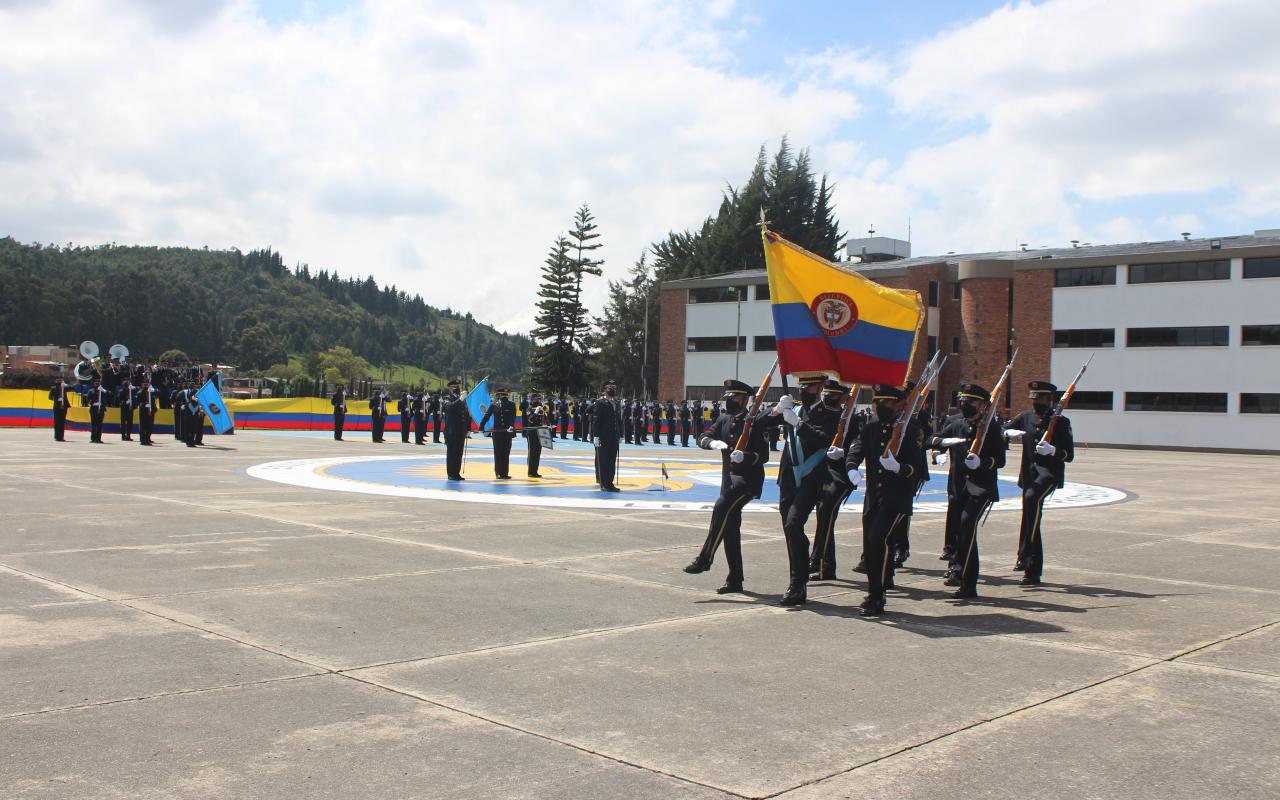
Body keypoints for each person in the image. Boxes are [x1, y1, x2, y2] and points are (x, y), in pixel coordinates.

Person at [684, 379, 771, 595]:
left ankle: (705, 558)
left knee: (721, 507)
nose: (729, 401)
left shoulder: (756, 421)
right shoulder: (724, 419)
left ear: (744, 399)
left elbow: (764, 456)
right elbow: (702, 436)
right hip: (728, 482)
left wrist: (746, 456)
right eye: (728, 397)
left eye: (734, 397)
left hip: (747, 482)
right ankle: (735, 580)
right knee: (730, 529)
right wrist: (710, 443)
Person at [845, 385, 926, 616]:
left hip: (897, 496)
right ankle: (879, 583)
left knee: (877, 538)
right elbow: (858, 447)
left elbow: (916, 469)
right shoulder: (871, 426)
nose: (881, 406)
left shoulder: (911, 430)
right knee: (871, 545)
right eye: (878, 402)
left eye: (887, 402)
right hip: (874, 495)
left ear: (900, 404)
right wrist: (851, 466)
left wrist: (899, 468)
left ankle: (876, 596)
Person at [928, 383, 1006, 599]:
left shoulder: (991, 428)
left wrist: (981, 462)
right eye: (963, 400)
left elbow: (1000, 460)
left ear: (982, 405)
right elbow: (933, 440)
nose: (965, 405)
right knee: (957, 531)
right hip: (957, 486)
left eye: (971, 401)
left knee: (966, 526)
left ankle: (968, 582)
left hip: (980, 488)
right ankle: (958, 568)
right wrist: (938, 451)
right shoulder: (954, 423)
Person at [773, 375, 840, 605]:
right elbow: (759, 424)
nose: (803, 390)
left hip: (811, 478)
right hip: (788, 477)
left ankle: (798, 584)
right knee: (789, 530)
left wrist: (798, 424)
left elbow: (824, 439)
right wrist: (776, 411)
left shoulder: (829, 412)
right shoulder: (794, 409)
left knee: (794, 524)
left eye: (808, 386)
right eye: (800, 386)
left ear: (819, 388)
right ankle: (797, 578)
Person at [1004, 381, 1075, 586]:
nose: (1036, 402)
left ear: (1050, 399)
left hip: (1049, 475)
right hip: (1029, 474)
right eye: (1033, 398)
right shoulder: (1026, 417)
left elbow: (1069, 455)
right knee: (1030, 513)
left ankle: (1029, 558)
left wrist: (1053, 451)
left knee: (1031, 500)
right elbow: (1004, 428)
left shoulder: (1060, 421)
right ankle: (1028, 563)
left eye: (1040, 399)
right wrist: (1008, 433)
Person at [810, 381, 862, 580]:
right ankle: (826, 566)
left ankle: (816, 560)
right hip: (822, 473)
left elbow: (860, 446)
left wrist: (845, 453)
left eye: (834, 395)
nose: (829, 398)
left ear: (843, 398)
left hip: (841, 477)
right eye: (827, 394)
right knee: (824, 517)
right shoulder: (820, 414)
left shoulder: (852, 420)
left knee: (826, 514)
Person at [591, 382, 622, 491]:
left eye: (614, 388)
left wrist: (620, 434)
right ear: (605, 390)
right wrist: (596, 436)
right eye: (610, 388)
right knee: (603, 460)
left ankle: (610, 483)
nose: (612, 390)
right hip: (602, 436)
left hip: (613, 436)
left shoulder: (616, 403)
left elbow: (618, 420)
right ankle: (604, 484)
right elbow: (596, 421)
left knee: (611, 460)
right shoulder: (600, 403)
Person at [480, 387, 518, 479]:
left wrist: (511, 426)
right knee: (498, 453)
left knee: (506, 453)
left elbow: (512, 417)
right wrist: (481, 427)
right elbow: (487, 416)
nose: (504, 396)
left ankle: (505, 473)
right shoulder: (494, 405)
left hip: (507, 432)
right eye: (503, 395)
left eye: (506, 395)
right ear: (499, 395)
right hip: (497, 433)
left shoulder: (511, 405)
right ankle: (498, 473)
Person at [442, 379, 471, 480]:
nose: (457, 389)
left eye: (458, 387)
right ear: (450, 388)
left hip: (461, 431)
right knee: (452, 453)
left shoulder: (461, 400)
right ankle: (451, 474)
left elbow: (466, 414)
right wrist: (460, 400)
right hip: (451, 431)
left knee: (459, 453)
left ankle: (456, 473)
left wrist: (468, 428)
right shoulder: (447, 398)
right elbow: (449, 408)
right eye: (455, 387)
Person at [523, 391, 547, 478]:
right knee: (532, 452)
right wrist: (536, 412)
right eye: (535, 399)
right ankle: (530, 471)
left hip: (539, 432)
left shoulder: (540, 408)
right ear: (532, 400)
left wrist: (547, 425)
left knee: (538, 452)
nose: (537, 400)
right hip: (532, 433)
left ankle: (535, 471)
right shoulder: (529, 409)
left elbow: (542, 420)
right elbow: (530, 420)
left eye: (538, 399)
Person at [136, 378, 159, 445]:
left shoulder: (152, 392)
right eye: (144, 384)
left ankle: (148, 438)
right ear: (142, 385)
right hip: (144, 411)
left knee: (150, 426)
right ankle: (143, 440)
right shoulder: (140, 392)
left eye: (147, 383)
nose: (146, 385)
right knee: (143, 426)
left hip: (151, 411)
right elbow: (138, 402)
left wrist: (154, 389)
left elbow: (159, 393)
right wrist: (144, 405)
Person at [48, 377, 71, 442]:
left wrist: (65, 384)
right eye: (58, 380)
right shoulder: (53, 388)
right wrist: (56, 400)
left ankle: (61, 437)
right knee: (57, 422)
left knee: (62, 422)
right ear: (55, 381)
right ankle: (57, 437)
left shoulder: (64, 387)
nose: (59, 381)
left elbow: (71, 388)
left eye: (60, 380)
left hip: (64, 407)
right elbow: (50, 397)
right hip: (57, 407)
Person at [86, 375, 107, 443]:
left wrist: (104, 391)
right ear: (93, 383)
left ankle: (98, 438)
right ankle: (93, 438)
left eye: (98, 382)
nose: (97, 383)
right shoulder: (91, 391)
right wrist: (93, 402)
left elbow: (109, 395)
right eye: (96, 382)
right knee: (94, 424)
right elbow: (87, 400)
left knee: (100, 424)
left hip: (101, 409)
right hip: (94, 409)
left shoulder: (102, 390)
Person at [118, 376, 135, 441]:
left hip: (130, 408)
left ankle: (128, 435)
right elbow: (120, 400)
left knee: (130, 422)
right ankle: (123, 435)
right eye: (125, 380)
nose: (127, 381)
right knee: (123, 422)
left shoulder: (131, 390)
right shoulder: (121, 391)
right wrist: (125, 402)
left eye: (128, 380)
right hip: (124, 408)